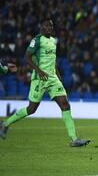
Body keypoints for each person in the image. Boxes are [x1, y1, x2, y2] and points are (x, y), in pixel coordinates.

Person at [0, 19, 90, 147]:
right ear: (41, 27)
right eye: (47, 25)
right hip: (39, 78)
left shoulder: (53, 41)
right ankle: (5, 124)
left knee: (65, 104)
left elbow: (53, 60)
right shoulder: (37, 40)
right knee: (31, 109)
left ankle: (74, 139)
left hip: (52, 78)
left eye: (51, 26)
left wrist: (58, 75)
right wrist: (38, 70)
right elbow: (27, 57)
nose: (49, 27)